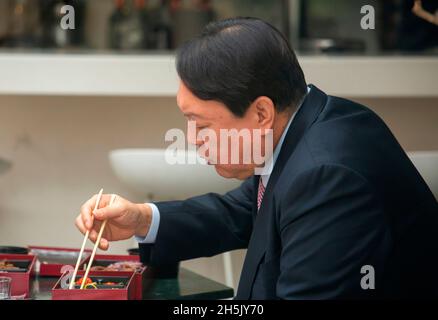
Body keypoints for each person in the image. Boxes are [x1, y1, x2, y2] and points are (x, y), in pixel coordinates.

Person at [76, 17, 438, 299]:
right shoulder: (306, 123)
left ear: (261, 112)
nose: (192, 140)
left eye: (200, 123)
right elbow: (242, 212)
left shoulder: (327, 177)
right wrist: (141, 219)